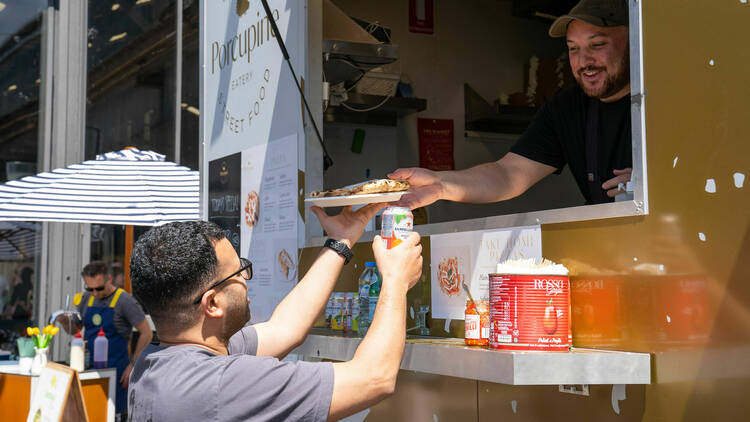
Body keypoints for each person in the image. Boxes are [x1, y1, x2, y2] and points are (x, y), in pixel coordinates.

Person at [127, 204, 423, 421]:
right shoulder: (219, 386)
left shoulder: (156, 362)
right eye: (239, 272)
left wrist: (340, 242)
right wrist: (396, 281)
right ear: (212, 304)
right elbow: (373, 379)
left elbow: (286, 328)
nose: (245, 279)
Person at [390, 0, 633, 209]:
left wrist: (656, 183)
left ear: (634, 37)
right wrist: (440, 184)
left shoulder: (665, 96)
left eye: (597, 45)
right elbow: (509, 173)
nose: (584, 61)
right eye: (573, 49)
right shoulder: (567, 107)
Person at [57, 261, 153, 418]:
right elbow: (76, 329)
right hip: (89, 371)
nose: (94, 293)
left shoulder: (125, 301)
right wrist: (64, 323)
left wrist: (133, 366)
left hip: (117, 372)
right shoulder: (86, 298)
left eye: (99, 288)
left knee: (113, 414)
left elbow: (147, 333)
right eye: (90, 288)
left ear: (109, 279)